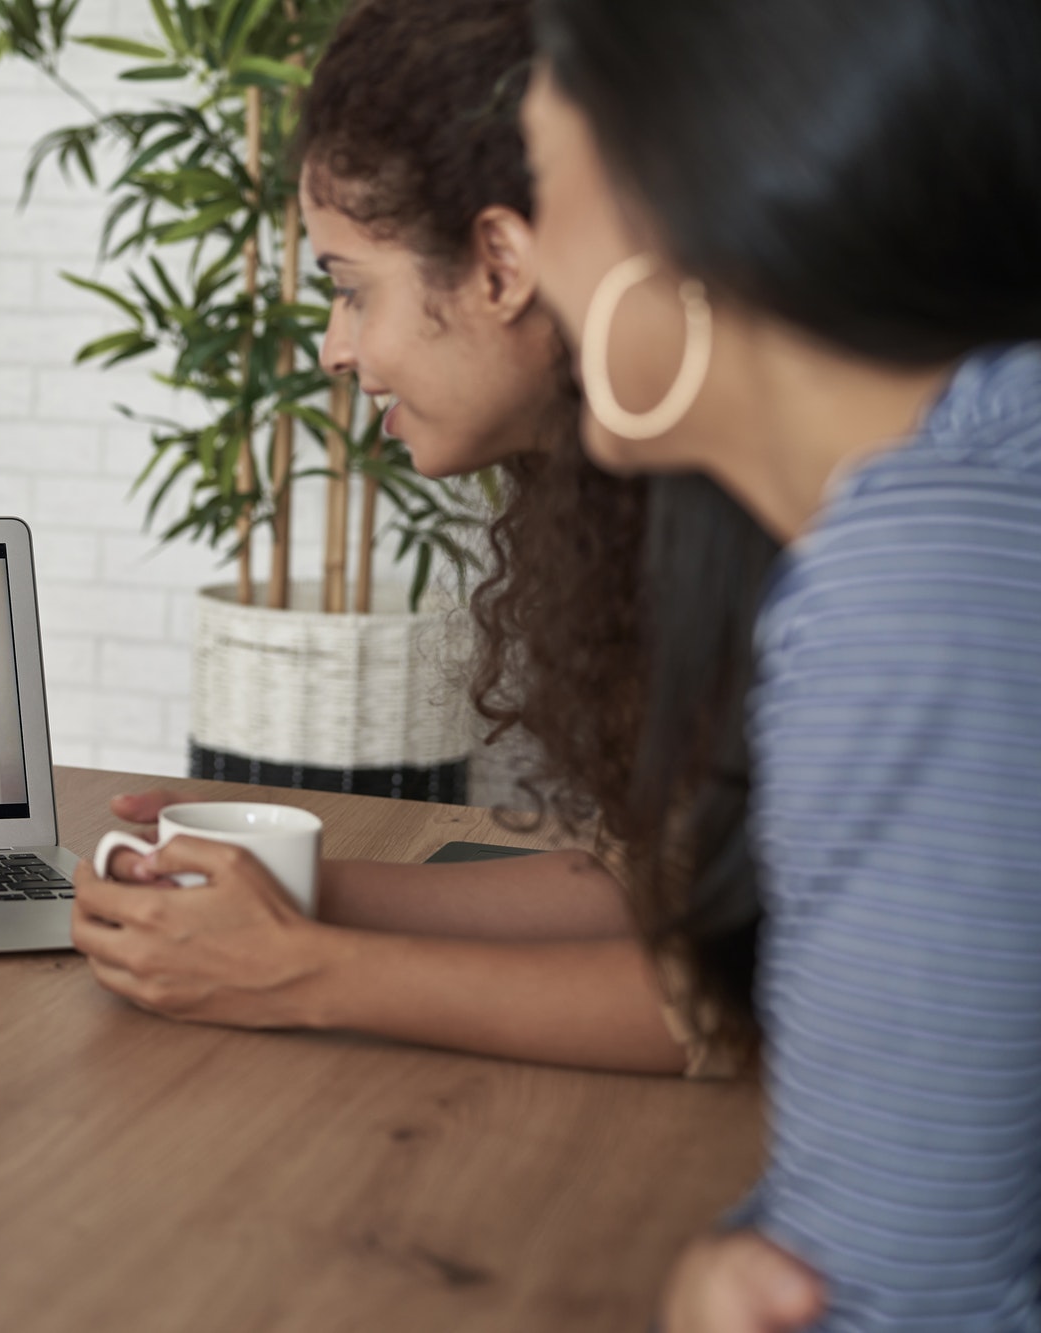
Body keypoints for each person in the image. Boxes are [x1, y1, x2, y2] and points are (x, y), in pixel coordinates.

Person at [73, 0, 778, 1076]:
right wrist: (278, 877)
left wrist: (297, 970)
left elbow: (762, 989)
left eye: (351, 290)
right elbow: (666, 889)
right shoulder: (635, 493)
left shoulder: (787, 517)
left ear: (499, 264)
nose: (331, 351)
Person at [523, 0, 1041, 1326]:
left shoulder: (922, 584)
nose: (528, 269)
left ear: (691, 196)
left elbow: (881, 1304)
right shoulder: (985, 467)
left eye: (538, 194)